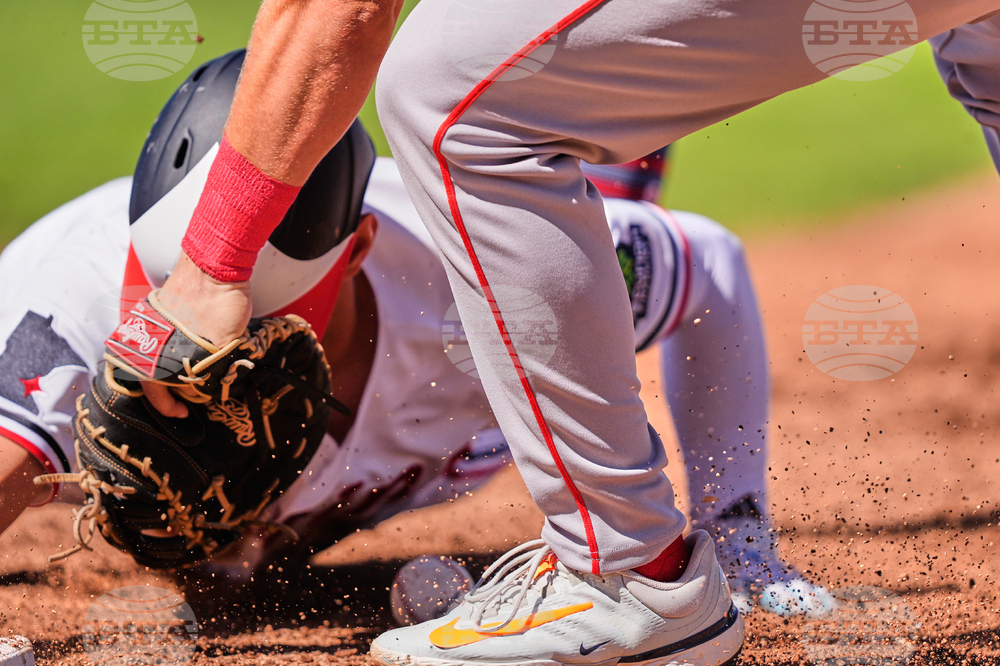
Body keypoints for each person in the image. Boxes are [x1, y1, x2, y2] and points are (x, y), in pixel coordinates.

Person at [0, 52, 823, 625]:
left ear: (355, 251)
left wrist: (738, 540)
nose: (220, 339)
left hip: (480, 281)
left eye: (264, 310)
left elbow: (707, 266)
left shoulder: (476, 266)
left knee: (582, 230)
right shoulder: (68, 299)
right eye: (175, 292)